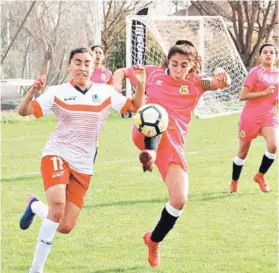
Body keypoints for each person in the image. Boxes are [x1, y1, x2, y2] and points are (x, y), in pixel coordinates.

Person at [17, 46, 145, 273]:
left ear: (93, 67)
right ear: (69, 66)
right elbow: (23, 111)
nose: (82, 67)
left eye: (87, 63)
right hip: (56, 153)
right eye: (77, 62)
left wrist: (140, 85)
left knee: (64, 226)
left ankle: (34, 205)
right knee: (57, 208)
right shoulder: (57, 91)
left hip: (84, 164)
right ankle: (35, 269)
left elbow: (135, 107)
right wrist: (32, 92)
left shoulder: (105, 92)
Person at [113, 40, 231, 268]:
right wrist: (117, 88)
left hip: (173, 145)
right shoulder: (153, 73)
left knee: (179, 200)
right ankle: (150, 152)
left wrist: (221, 75)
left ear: (192, 65)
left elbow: (223, 83)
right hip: (143, 131)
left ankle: (154, 241)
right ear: (168, 61)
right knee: (155, 114)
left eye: (183, 65)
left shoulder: (198, 83)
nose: (178, 69)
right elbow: (119, 71)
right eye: (174, 64)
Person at [230, 43, 278, 193]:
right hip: (250, 117)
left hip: (269, 116)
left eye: (272, 52)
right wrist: (264, 93)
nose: (268, 54)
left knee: (273, 146)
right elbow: (242, 96)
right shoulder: (255, 73)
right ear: (260, 55)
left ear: (276, 56)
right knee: (243, 152)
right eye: (265, 52)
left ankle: (260, 176)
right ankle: (234, 182)